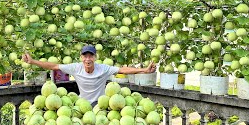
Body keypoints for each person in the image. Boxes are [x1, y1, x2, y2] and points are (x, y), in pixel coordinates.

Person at [22, 45, 156, 106]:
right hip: (82, 104)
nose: (88, 59)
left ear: (95, 57)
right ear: (81, 57)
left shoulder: (103, 68)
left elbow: (122, 70)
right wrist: (32, 61)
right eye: (85, 56)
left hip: (101, 104)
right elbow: (54, 66)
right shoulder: (76, 67)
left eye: (90, 56)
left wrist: (144, 70)